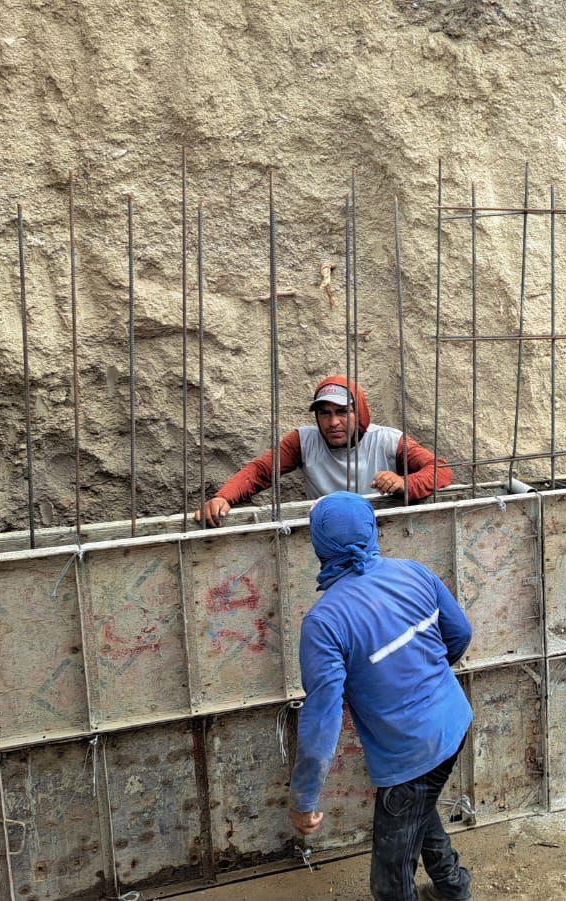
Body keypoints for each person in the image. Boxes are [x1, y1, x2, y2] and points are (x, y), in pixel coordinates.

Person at [288, 492, 474, 901]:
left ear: (319, 546)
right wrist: (425, 678)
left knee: (390, 883)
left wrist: (303, 799)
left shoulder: (324, 622)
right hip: (455, 721)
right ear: (372, 530)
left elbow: (322, 720)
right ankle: (453, 888)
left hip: (408, 754)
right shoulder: (414, 572)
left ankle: (454, 890)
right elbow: (460, 633)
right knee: (417, 806)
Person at [196, 375, 452, 525]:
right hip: (327, 536)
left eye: (343, 412)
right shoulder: (304, 440)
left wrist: (404, 483)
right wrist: (223, 497)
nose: (333, 422)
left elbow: (440, 470)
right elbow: (260, 471)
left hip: (380, 529)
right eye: (324, 413)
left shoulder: (388, 441)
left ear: (360, 413)